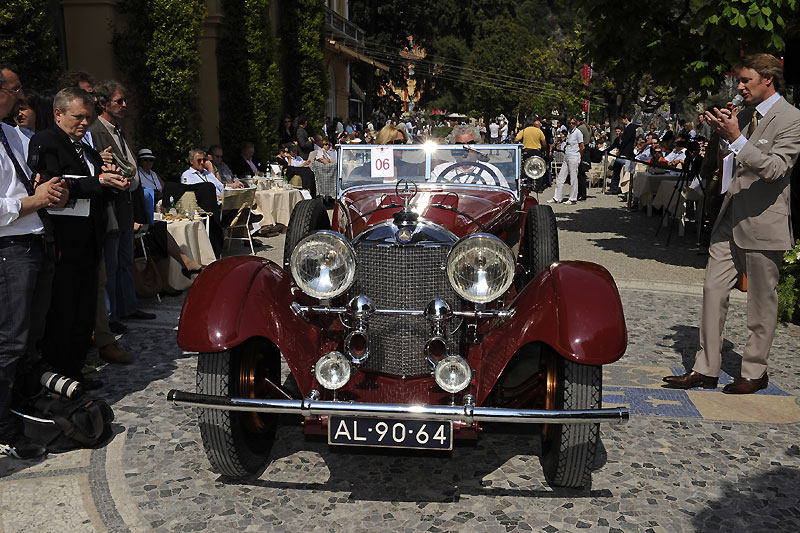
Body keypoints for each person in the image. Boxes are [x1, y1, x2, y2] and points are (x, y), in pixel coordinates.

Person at [663, 53, 800, 394]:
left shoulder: (791, 118)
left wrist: (737, 138)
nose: (739, 87)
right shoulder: (744, 115)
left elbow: (775, 169)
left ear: (768, 79)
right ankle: (705, 368)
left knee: (760, 303)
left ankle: (754, 371)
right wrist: (723, 136)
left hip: (763, 222)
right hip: (729, 216)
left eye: (745, 81)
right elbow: (728, 163)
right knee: (712, 290)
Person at [29, 87, 130, 387]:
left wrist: (113, 182)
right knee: (63, 309)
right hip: (62, 242)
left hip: (90, 240)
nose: (85, 123)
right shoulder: (46, 141)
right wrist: (97, 181)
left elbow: (97, 185)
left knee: (85, 308)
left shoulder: (86, 149)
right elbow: (52, 183)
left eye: (89, 117)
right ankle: (61, 375)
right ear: (58, 114)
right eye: (78, 117)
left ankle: (77, 368)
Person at [0, 65, 70, 459]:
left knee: (27, 339)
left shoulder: (13, 134)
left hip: (35, 241)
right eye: (15, 90)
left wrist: (53, 189)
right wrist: (34, 201)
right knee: (9, 341)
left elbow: (32, 182)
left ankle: (24, 409)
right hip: (8, 248)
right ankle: (4, 430)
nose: (20, 99)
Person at [89, 80, 155, 329]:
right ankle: (113, 315)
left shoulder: (118, 129)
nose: (124, 105)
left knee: (126, 260)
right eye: (119, 101)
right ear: (103, 104)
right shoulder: (96, 130)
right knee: (113, 264)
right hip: (112, 207)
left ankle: (128, 307)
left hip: (126, 205)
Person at [431, 124, 508, 187]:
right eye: (460, 145)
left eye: (470, 144)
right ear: (453, 149)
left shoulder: (493, 172)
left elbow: (505, 198)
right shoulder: (439, 171)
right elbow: (429, 197)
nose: (465, 149)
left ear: (477, 147)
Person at [548, 117, 584, 205]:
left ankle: (573, 198)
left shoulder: (578, 133)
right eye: (570, 123)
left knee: (573, 178)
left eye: (573, 123)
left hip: (574, 156)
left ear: (576, 124)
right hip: (567, 156)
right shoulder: (569, 132)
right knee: (560, 177)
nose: (571, 125)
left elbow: (582, 146)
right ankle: (557, 197)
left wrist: (579, 157)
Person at [609, 114, 635, 194]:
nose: (622, 122)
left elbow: (626, 141)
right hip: (623, 152)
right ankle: (614, 187)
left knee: (619, 169)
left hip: (626, 153)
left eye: (623, 120)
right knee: (616, 169)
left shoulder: (630, 128)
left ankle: (617, 187)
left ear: (626, 119)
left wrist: (620, 149)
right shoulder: (628, 128)